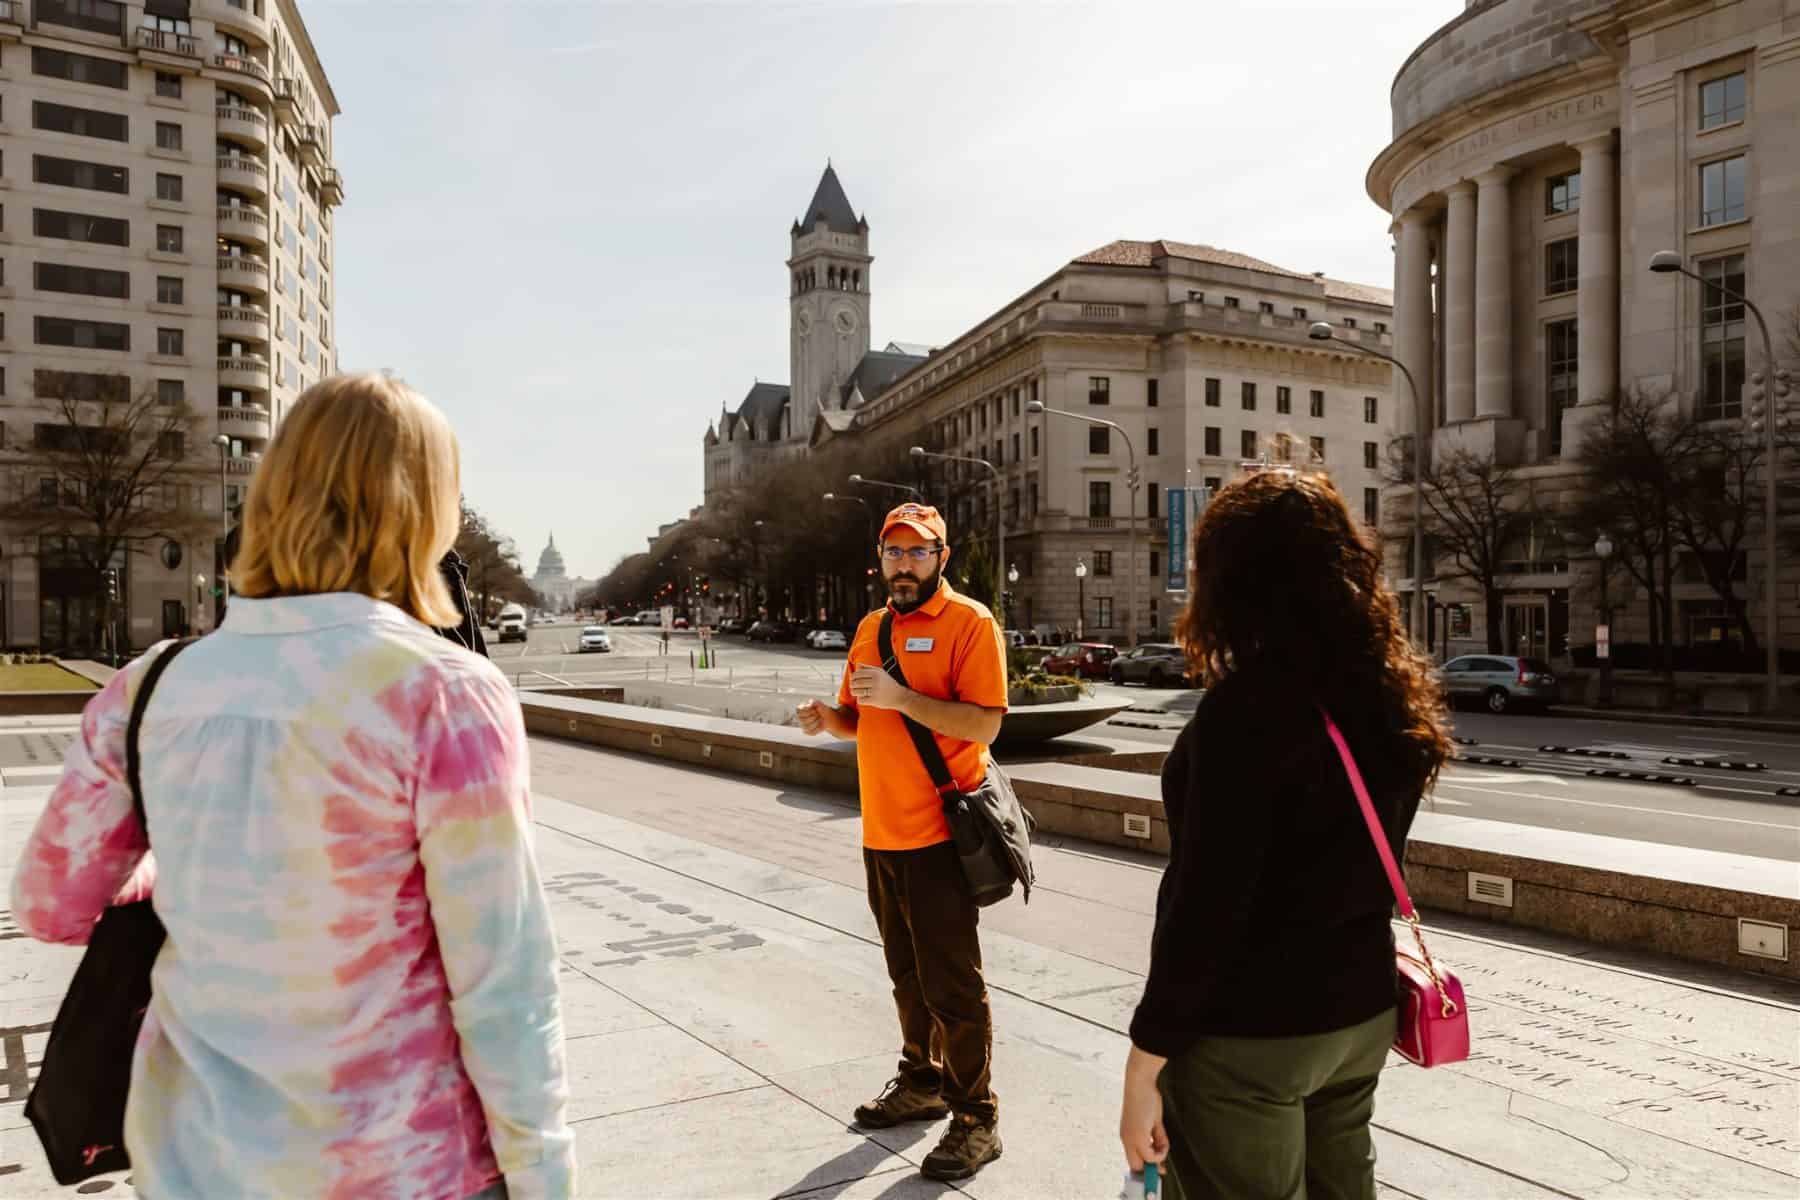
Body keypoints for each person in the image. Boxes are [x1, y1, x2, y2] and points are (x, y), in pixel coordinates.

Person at [11, 373, 575, 1199]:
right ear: (422, 508)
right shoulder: (445, 692)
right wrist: (547, 1179)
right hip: (403, 1167)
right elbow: (504, 981)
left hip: (194, 1163)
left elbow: (48, 904)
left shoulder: (149, 687)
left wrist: (200, 869)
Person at [1117, 469, 1451, 1200]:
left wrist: (1145, 1062)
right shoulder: (1390, 697)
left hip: (1252, 1034)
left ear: (1234, 581)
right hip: (1360, 1013)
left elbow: (1208, 909)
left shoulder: (1246, 712)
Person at [796, 502, 1009, 1182]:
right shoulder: (871, 628)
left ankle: (977, 1117)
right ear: (880, 559)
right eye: (894, 552)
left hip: (941, 837)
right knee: (907, 979)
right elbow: (863, 720)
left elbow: (984, 726)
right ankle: (921, 1080)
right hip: (881, 835)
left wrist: (901, 697)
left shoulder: (969, 622)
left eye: (919, 552)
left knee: (954, 986)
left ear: (942, 557)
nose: (905, 563)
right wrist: (828, 718)